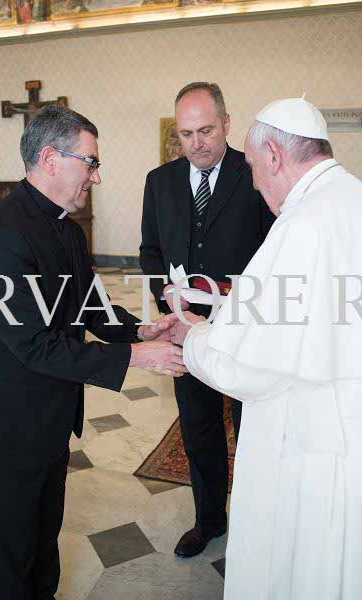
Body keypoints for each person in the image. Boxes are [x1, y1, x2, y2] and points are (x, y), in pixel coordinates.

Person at [0, 105, 185, 600]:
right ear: (50, 159)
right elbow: (36, 345)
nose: (96, 177)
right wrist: (137, 358)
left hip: (47, 417)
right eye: (91, 162)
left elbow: (89, 305)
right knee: (14, 560)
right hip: (5, 427)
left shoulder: (65, 226)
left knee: (44, 544)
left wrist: (141, 330)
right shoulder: (0, 237)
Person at [171, 96, 362, 599]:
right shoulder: (352, 197)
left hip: (311, 442)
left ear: (274, 156)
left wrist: (191, 337)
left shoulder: (301, 225)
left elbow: (244, 367)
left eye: (255, 168)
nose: (255, 183)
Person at [140, 81, 274, 557]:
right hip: (184, 330)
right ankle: (209, 521)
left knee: (251, 428)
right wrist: (168, 298)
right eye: (186, 133)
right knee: (198, 429)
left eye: (206, 131)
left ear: (227, 123)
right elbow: (150, 252)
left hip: (245, 330)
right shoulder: (159, 181)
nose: (196, 143)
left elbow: (273, 255)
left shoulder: (254, 174)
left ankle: (258, 525)